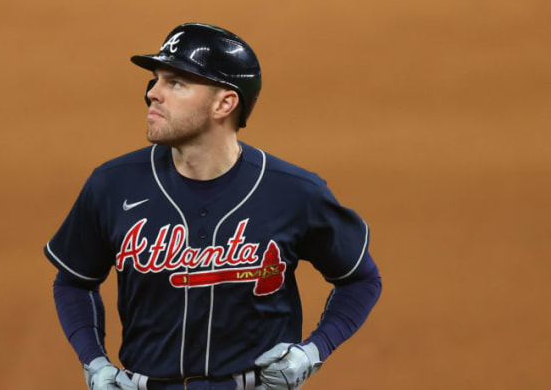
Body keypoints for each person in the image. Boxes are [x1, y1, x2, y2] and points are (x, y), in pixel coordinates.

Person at [44, 23, 382, 390]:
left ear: (225, 103)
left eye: (176, 83)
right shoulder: (112, 185)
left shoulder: (295, 193)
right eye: (155, 80)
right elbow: (74, 281)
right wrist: (94, 362)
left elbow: (360, 278)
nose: (152, 94)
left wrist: (314, 351)